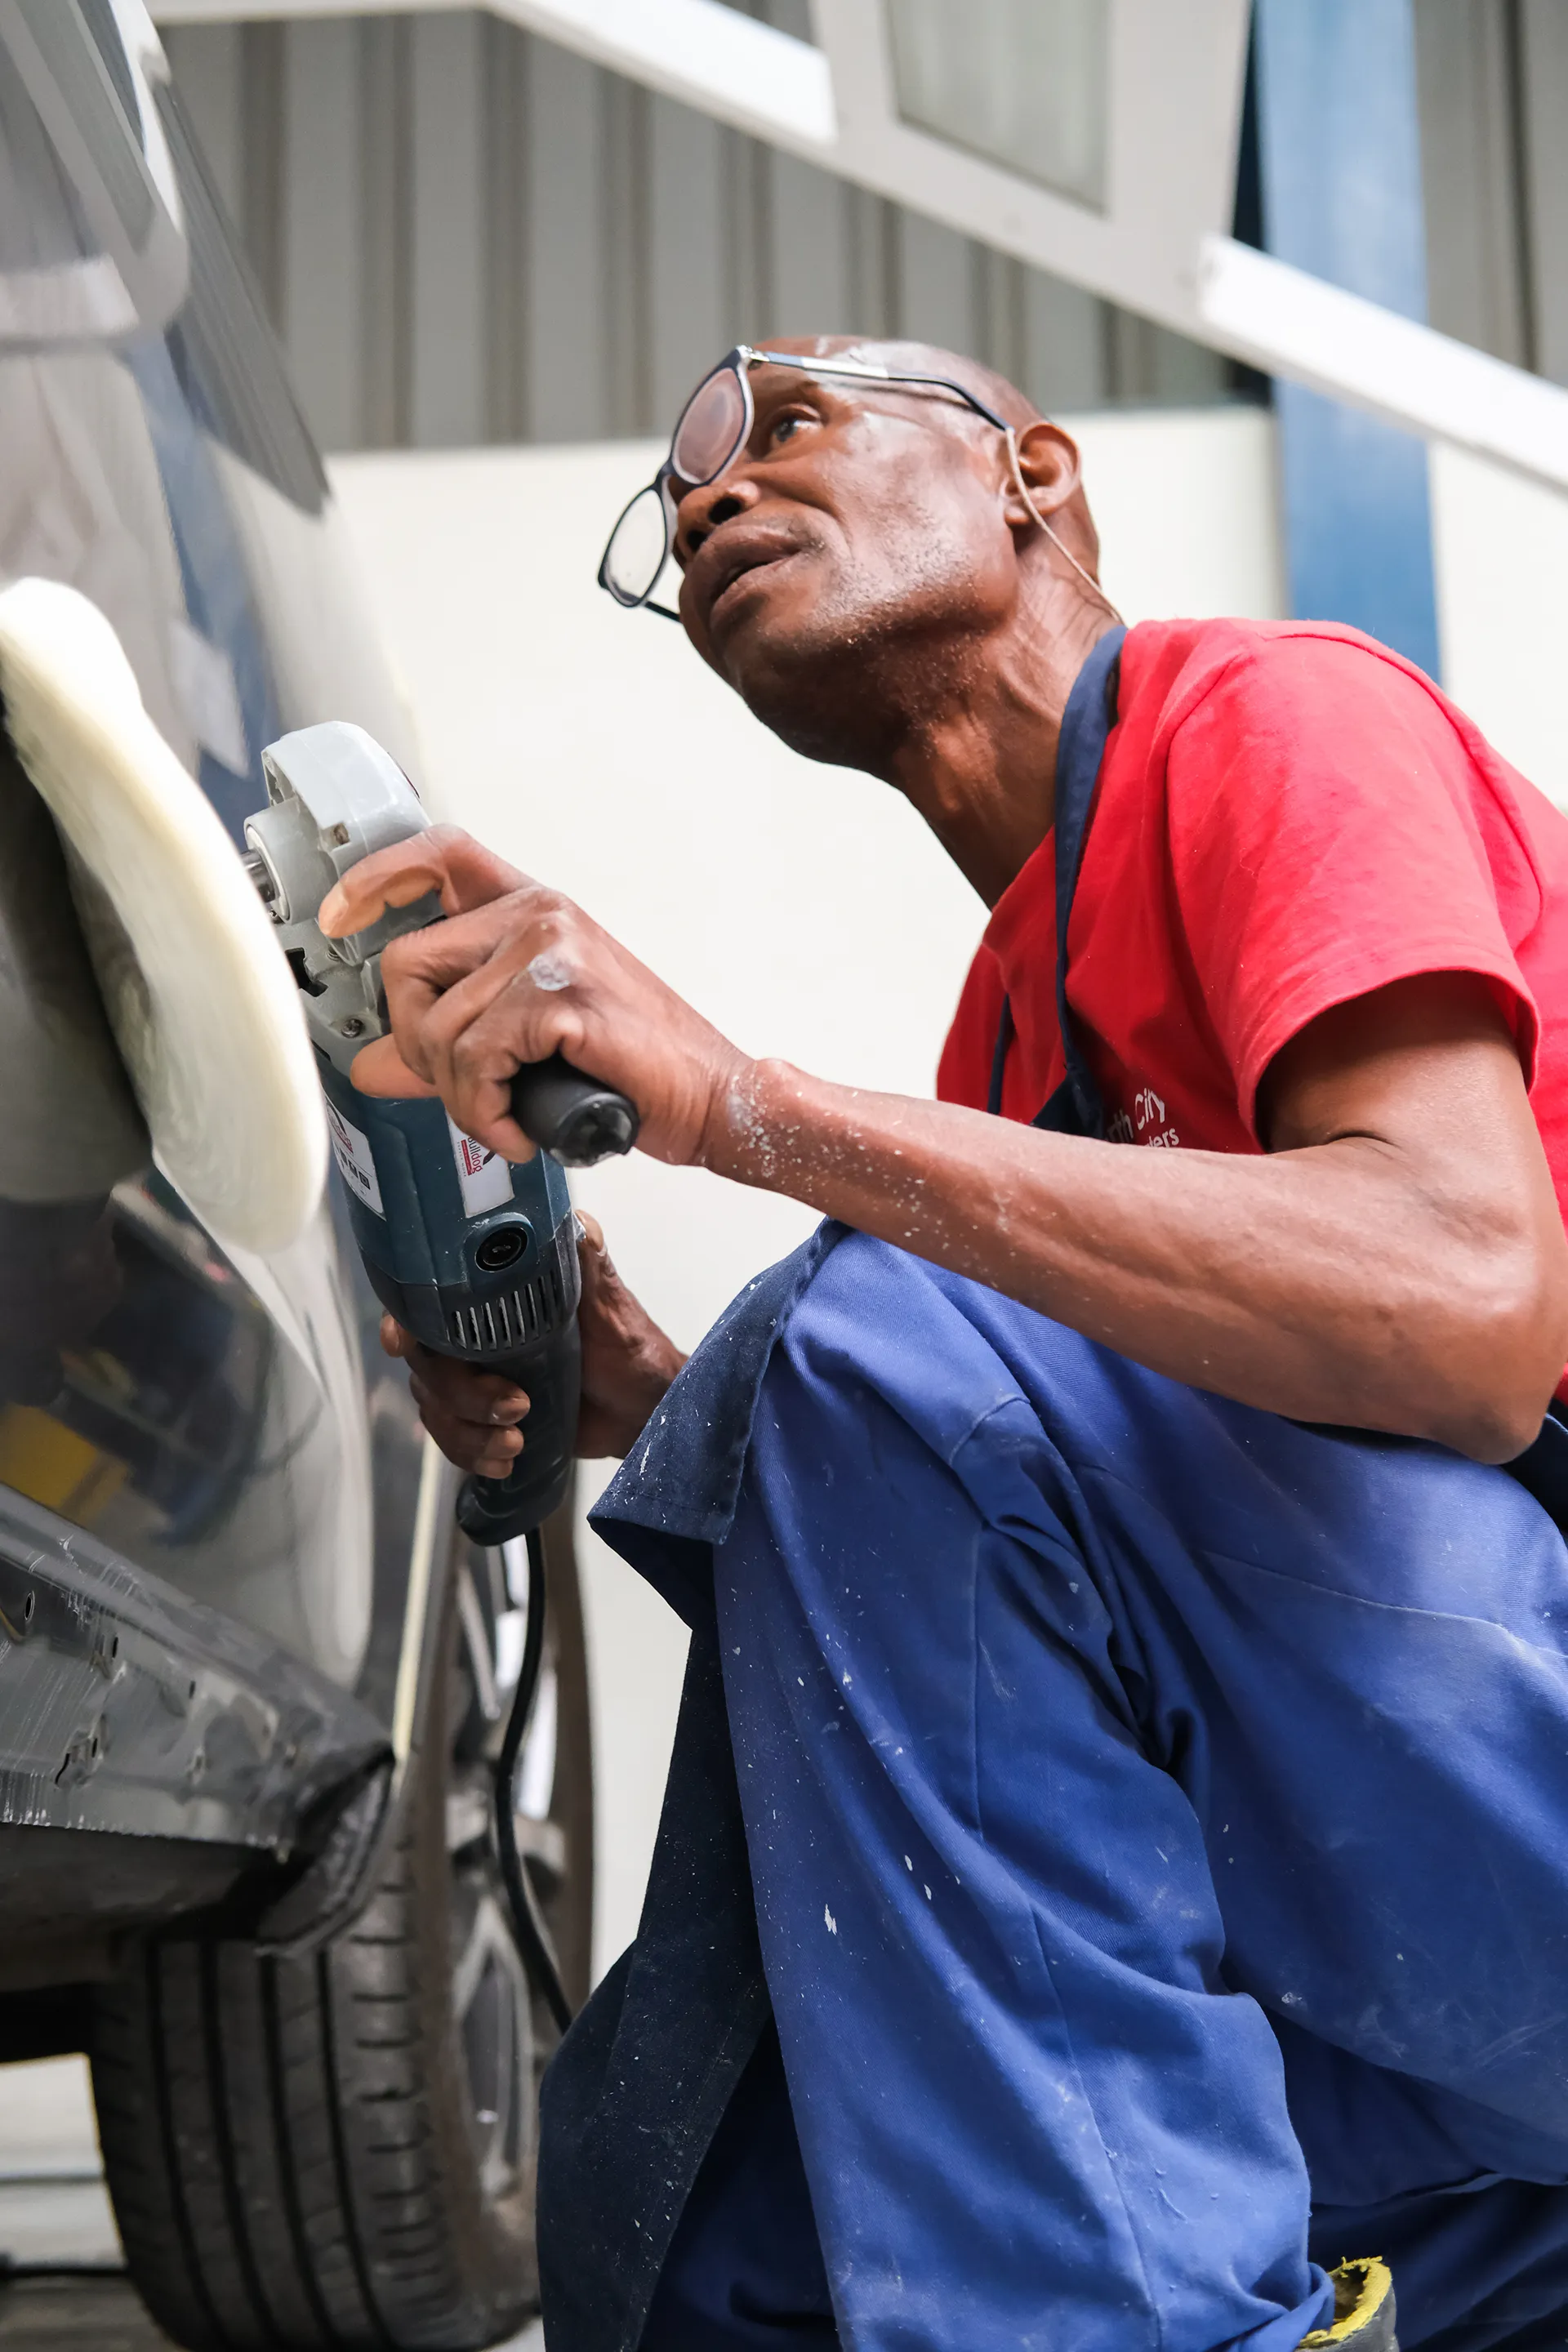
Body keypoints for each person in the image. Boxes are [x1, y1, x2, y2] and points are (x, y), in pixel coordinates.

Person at [320, 339, 1568, 2352]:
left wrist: (749, 1109)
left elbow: (1470, 1308)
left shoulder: (1268, 715)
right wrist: (652, 1398)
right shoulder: (1008, 1033)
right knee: (717, 2211)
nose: (713, 502)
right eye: (677, 511)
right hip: (1441, 1960)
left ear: (1032, 475)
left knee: (870, 1342)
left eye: (787, 424)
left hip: (1506, 1773)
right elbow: (1068, 1555)